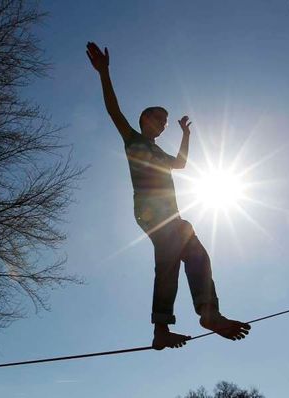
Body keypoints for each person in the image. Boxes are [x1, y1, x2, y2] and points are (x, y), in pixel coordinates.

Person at [86, 42, 251, 350]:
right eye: (159, 119)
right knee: (170, 256)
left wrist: (186, 136)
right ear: (145, 119)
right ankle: (165, 325)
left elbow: (182, 164)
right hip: (150, 211)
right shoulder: (132, 139)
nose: (163, 125)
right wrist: (104, 73)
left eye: (164, 122)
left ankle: (206, 312)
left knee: (194, 251)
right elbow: (113, 110)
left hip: (171, 216)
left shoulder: (160, 153)